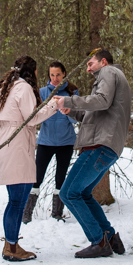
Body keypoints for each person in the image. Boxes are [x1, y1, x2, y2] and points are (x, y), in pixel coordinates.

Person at [53, 48, 132, 258]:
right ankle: (110, 237)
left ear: (103, 61)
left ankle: (99, 241)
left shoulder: (108, 73)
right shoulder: (113, 77)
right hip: (106, 145)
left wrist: (68, 101)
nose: (88, 69)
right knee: (84, 194)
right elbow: (99, 112)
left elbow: (102, 101)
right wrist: (74, 111)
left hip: (100, 145)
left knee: (68, 193)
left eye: (91, 64)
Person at [0, 56, 60, 261]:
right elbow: (33, 118)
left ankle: (10, 244)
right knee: (17, 201)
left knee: (14, 200)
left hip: (7, 141)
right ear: (32, 71)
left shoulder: (6, 86)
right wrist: (53, 105)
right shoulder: (23, 88)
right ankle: (11, 247)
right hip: (17, 144)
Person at [22, 61, 80, 223]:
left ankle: (57, 214)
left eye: (58, 75)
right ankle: (27, 214)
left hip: (66, 143)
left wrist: (66, 107)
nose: (55, 78)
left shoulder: (72, 92)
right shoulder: (42, 92)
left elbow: (76, 120)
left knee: (60, 179)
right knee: (36, 178)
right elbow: (35, 116)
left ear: (64, 74)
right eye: (52, 75)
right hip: (46, 142)